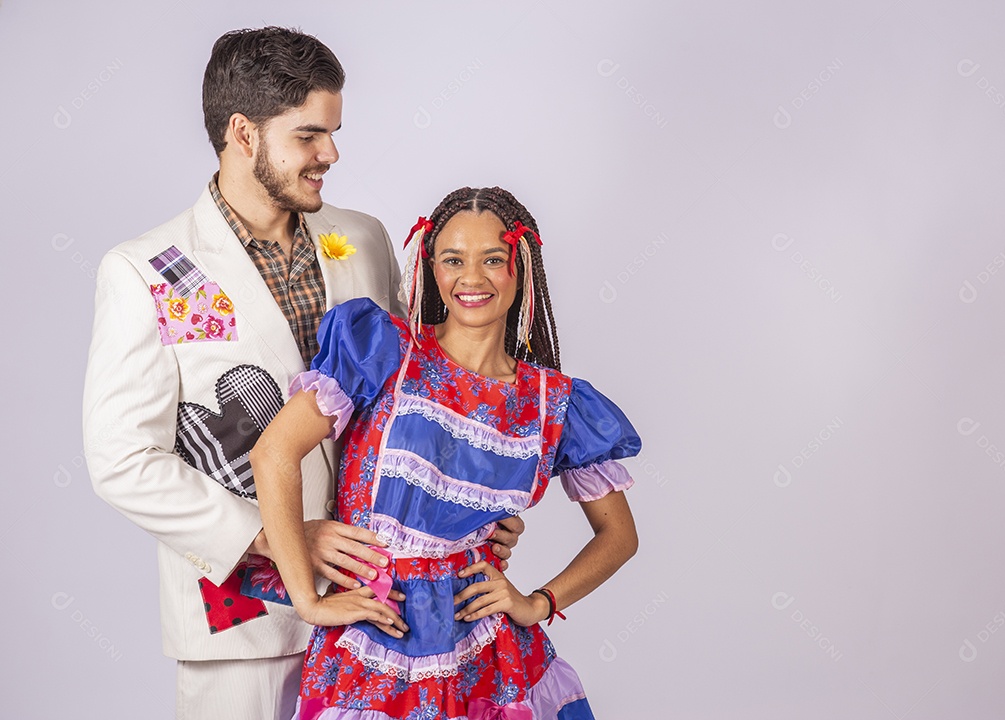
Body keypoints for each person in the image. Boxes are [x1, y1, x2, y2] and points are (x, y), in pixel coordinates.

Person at [82, 28, 521, 720]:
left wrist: (473, 503)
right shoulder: (146, 270)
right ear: (243, 134)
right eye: (310, 136)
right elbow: (120, 459)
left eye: (334, 132)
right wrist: (278, 536)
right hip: (243, 622)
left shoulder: (365, 239)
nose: (332, 154)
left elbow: (421, 394)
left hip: (384, 611)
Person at [251, 186, 640, 719]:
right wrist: (309, 601)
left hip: (490, 657)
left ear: (520, 268)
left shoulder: (553, 402)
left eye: (493, 260)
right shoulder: (385, 352)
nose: (472, 279)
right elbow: (273, 455)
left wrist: (536, 604)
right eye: (453, 259)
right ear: (431, 268)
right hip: (374, 639)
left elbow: (619, 535)